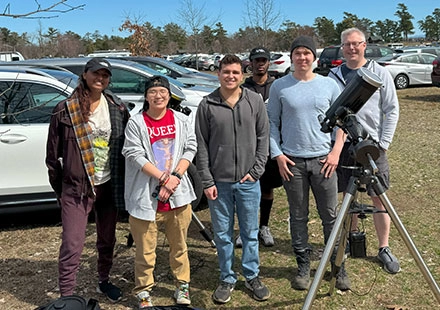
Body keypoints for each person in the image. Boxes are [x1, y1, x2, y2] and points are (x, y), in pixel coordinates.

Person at [267, 36, 350, 291]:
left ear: (314, 57)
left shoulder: (329, 86)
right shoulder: (280, 87)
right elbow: (271, 124)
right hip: (293, 163)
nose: (302, 58)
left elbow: (343, 122)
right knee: (298, 216)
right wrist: (278, 155)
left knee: (330, 216)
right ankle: (303, 266)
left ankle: (337, 266)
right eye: (297, 53)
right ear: (291, 57)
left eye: (306, 53)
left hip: (324, 161)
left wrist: (335, 152)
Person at [45, 57, 129, 302]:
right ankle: (67, 295)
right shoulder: (64, 110)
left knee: (107, 238)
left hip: (108, 185)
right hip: (77, 189)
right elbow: (52, 156)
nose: (100, 79)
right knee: (72, 244)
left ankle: (103, 280)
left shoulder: (117, 107)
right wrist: (62, 188)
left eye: (105, 75)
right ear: (84, 74)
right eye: (96, 73)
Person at [195, 54, 271, 304]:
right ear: (218, 73)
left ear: (242, 75)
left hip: (249, 181)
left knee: (249, 233)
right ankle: (227, 278)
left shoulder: (254, 101)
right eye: (226, 72)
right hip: (219, 183)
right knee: (223, 235)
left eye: (235, 73)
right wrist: (207, 180)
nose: (230, 76)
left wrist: (257, 170)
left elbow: (263, 137)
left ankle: (251, 275)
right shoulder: (207, 105)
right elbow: (202, 146)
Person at [328, 27, 400, 274]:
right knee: (349, 198)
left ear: (364, 45)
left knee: (378, 196)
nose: (351, 48)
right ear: (342, 47)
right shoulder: (333, 76)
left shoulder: (378, 73)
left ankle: (384, 247)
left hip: (373, 146)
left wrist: (384, 143)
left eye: (356, 44)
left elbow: (391, 109)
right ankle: (352, 237)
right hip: (345, 146)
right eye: (347, 44)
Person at [122, 75, 197, 308]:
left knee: (180, 247)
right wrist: (163, 177)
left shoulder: (181, 120)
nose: (158, 95)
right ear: (146, 96)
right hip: (145, 196)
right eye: (153, 91)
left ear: (169, 94)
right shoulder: (136, 123)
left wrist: (175, 178)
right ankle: (144, 291)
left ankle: (182, 286)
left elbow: (190, 147)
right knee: (145, 251)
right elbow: (134, 154)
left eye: (162, 91)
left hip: (178, 195)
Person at [236, 46, 282, 248]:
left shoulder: (277, 86)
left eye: (264, 60)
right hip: (247, 145)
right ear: (251, 63)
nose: (260, 63)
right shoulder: (243, 88)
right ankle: (245, 229)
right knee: (246, 188)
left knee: (267, 188)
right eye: (256, 60)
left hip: (270, 144)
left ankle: (264, 226)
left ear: (268, 63)